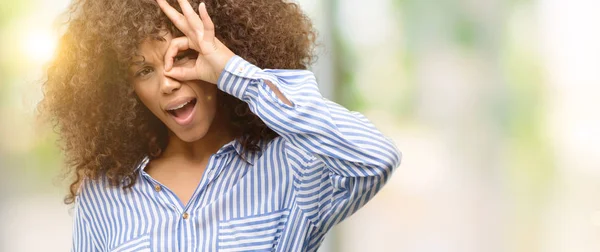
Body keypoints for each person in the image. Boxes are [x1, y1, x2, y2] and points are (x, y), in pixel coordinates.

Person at [38, 0, 402, 251]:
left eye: (182, 55)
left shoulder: (292, 167)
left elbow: (374, 157)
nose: (167, 82)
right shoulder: (104, 195)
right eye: (144, 71)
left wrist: (234, 73)